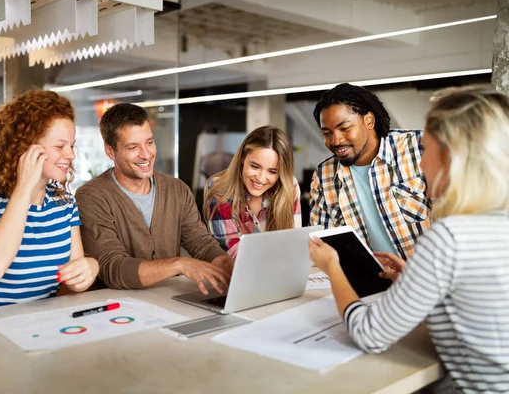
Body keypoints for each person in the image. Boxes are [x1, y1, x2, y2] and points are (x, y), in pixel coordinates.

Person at [309, 87, 509, 393]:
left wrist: (332, 266)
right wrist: (418, 277)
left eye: (427, 150)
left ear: (452, 157)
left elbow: (370, 335)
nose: (421, 162)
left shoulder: (449, 237)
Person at [0, 89, 99, 312]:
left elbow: (75, 277)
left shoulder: (65, 204)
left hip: (37, 327)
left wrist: (90, 267)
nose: (70, 155)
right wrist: (24, 188)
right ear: (24, 148)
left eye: (71, 145)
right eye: (60, 146)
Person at [76, 103, 233, 295]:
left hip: (168, 301)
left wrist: (229, 266)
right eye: (133, 147)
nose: (146, 154)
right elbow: (112, 267)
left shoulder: (177, 190)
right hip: (117, 309)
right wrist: (179, 264)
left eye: (149, 142)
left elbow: (201, 244)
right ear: (110, 151)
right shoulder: (92, 197)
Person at [309, 83, 431, 260]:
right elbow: (323, 248)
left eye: (344, 128)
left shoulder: (420, 148)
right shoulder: (323, 176)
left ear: (369, 121)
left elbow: (457, 220)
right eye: (327, 133)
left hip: (428, 279)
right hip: (369, 283)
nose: (335, 141)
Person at [204, 126, 302, 258]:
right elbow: (232, 252)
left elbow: (293, 242)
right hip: (235, 273)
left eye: (272, 171)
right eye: (255, 166)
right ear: (243, 158)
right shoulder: (220, 189)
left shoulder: (289, 186)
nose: (261, 178)